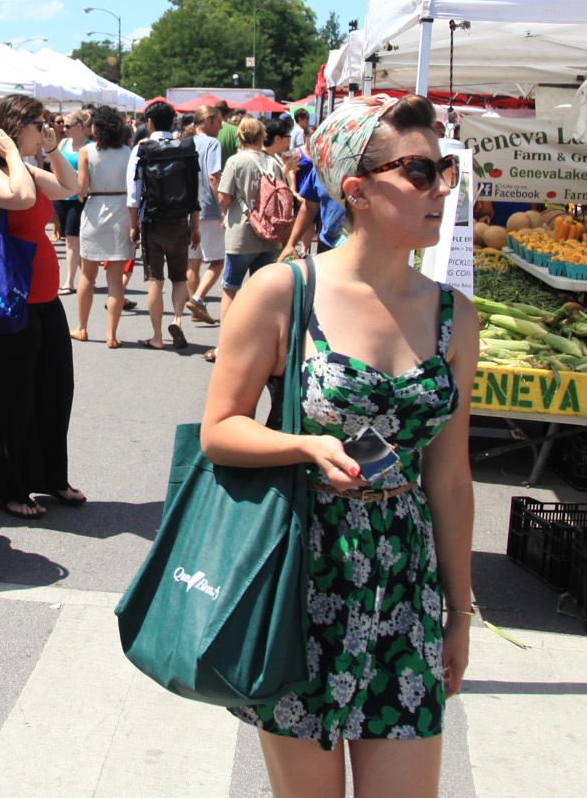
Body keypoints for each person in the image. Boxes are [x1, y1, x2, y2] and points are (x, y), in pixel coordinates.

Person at [204, 94, 476, 785]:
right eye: (419, 171)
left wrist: (458, 611)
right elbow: (219, 430)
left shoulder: (454, 315)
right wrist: (305, 447)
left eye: (444, 170)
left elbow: (450, 478)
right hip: (304, 574)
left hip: (406, 583)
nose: (440, 188)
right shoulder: (282, 291)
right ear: (355, 188)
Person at [0, 94, 85, 519]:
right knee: (14, 397)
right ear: (14, 128)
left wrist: (51, 150)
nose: (44, 130)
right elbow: (24, 199)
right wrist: (13, 154)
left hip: (44, 299)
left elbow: (71, 188)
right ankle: (10, 488)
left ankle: (52, 477)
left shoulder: (24, 167)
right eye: (37, 124)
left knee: (55, 390)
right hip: (9, 301)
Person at [129, 99, 199, 349]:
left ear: (149, 122)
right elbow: (195, 191)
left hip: (153, 222)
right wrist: (195, 226)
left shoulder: (142, 149)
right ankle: (177, 319)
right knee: (179, 278)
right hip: (180, 221)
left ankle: (157, 337)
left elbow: (134, 193)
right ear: (173, 122)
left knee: (155, 281)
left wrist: (133, 225)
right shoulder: (186, 148)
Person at [217, 115, 294, 320]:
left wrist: (225, 214)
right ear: (261, 136)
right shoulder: (273, 163)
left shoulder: (235, 162)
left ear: (240, 137)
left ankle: (227, 337)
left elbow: (223, 197)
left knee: (230, 289)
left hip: (241, 236)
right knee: (261, 292)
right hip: (269, 237)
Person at [73, 105, 135, 346]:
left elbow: (81, 190)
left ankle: (82, 327)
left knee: (87, 275)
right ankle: (112, 335)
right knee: (115, 280)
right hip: (121, 210)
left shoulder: (86, 151)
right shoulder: (127, 152)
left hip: (96, 209)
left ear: (96, 127)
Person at [187, 103, 228, 326]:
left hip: (187, 207)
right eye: (218, 122)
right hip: (208, 208)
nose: (221, 126)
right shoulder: (212, 143)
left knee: (193, 261)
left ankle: (195, 305)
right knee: (217, 260)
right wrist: (223, 206)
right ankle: (198, 298)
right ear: (207, 121)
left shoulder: (185, 142)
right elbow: (213, 177)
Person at [53, 110, 90, 293]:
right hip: (62, 196)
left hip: (80, 196)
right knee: (72, 239)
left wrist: (77, 174)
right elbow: (55, 165)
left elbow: (92, 173)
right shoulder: (63, 143)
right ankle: (87, 275)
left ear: (79, 126)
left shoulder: (89, 146)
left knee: (71, 239)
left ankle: (69, 282)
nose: (64, 129)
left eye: (67, 126)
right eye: (62, 125)